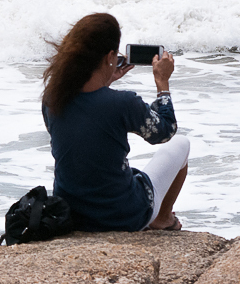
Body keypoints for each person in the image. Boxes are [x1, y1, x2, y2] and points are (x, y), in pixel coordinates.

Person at [42, 13, 190, 231]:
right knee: (182, 145)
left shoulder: (52, 98)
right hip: (122, 215)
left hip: (72, 215)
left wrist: (106, 79)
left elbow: (84, 132)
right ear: (110, 56)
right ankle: (162, 218)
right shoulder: (123, 103)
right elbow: (164, 132)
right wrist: (162, 83)